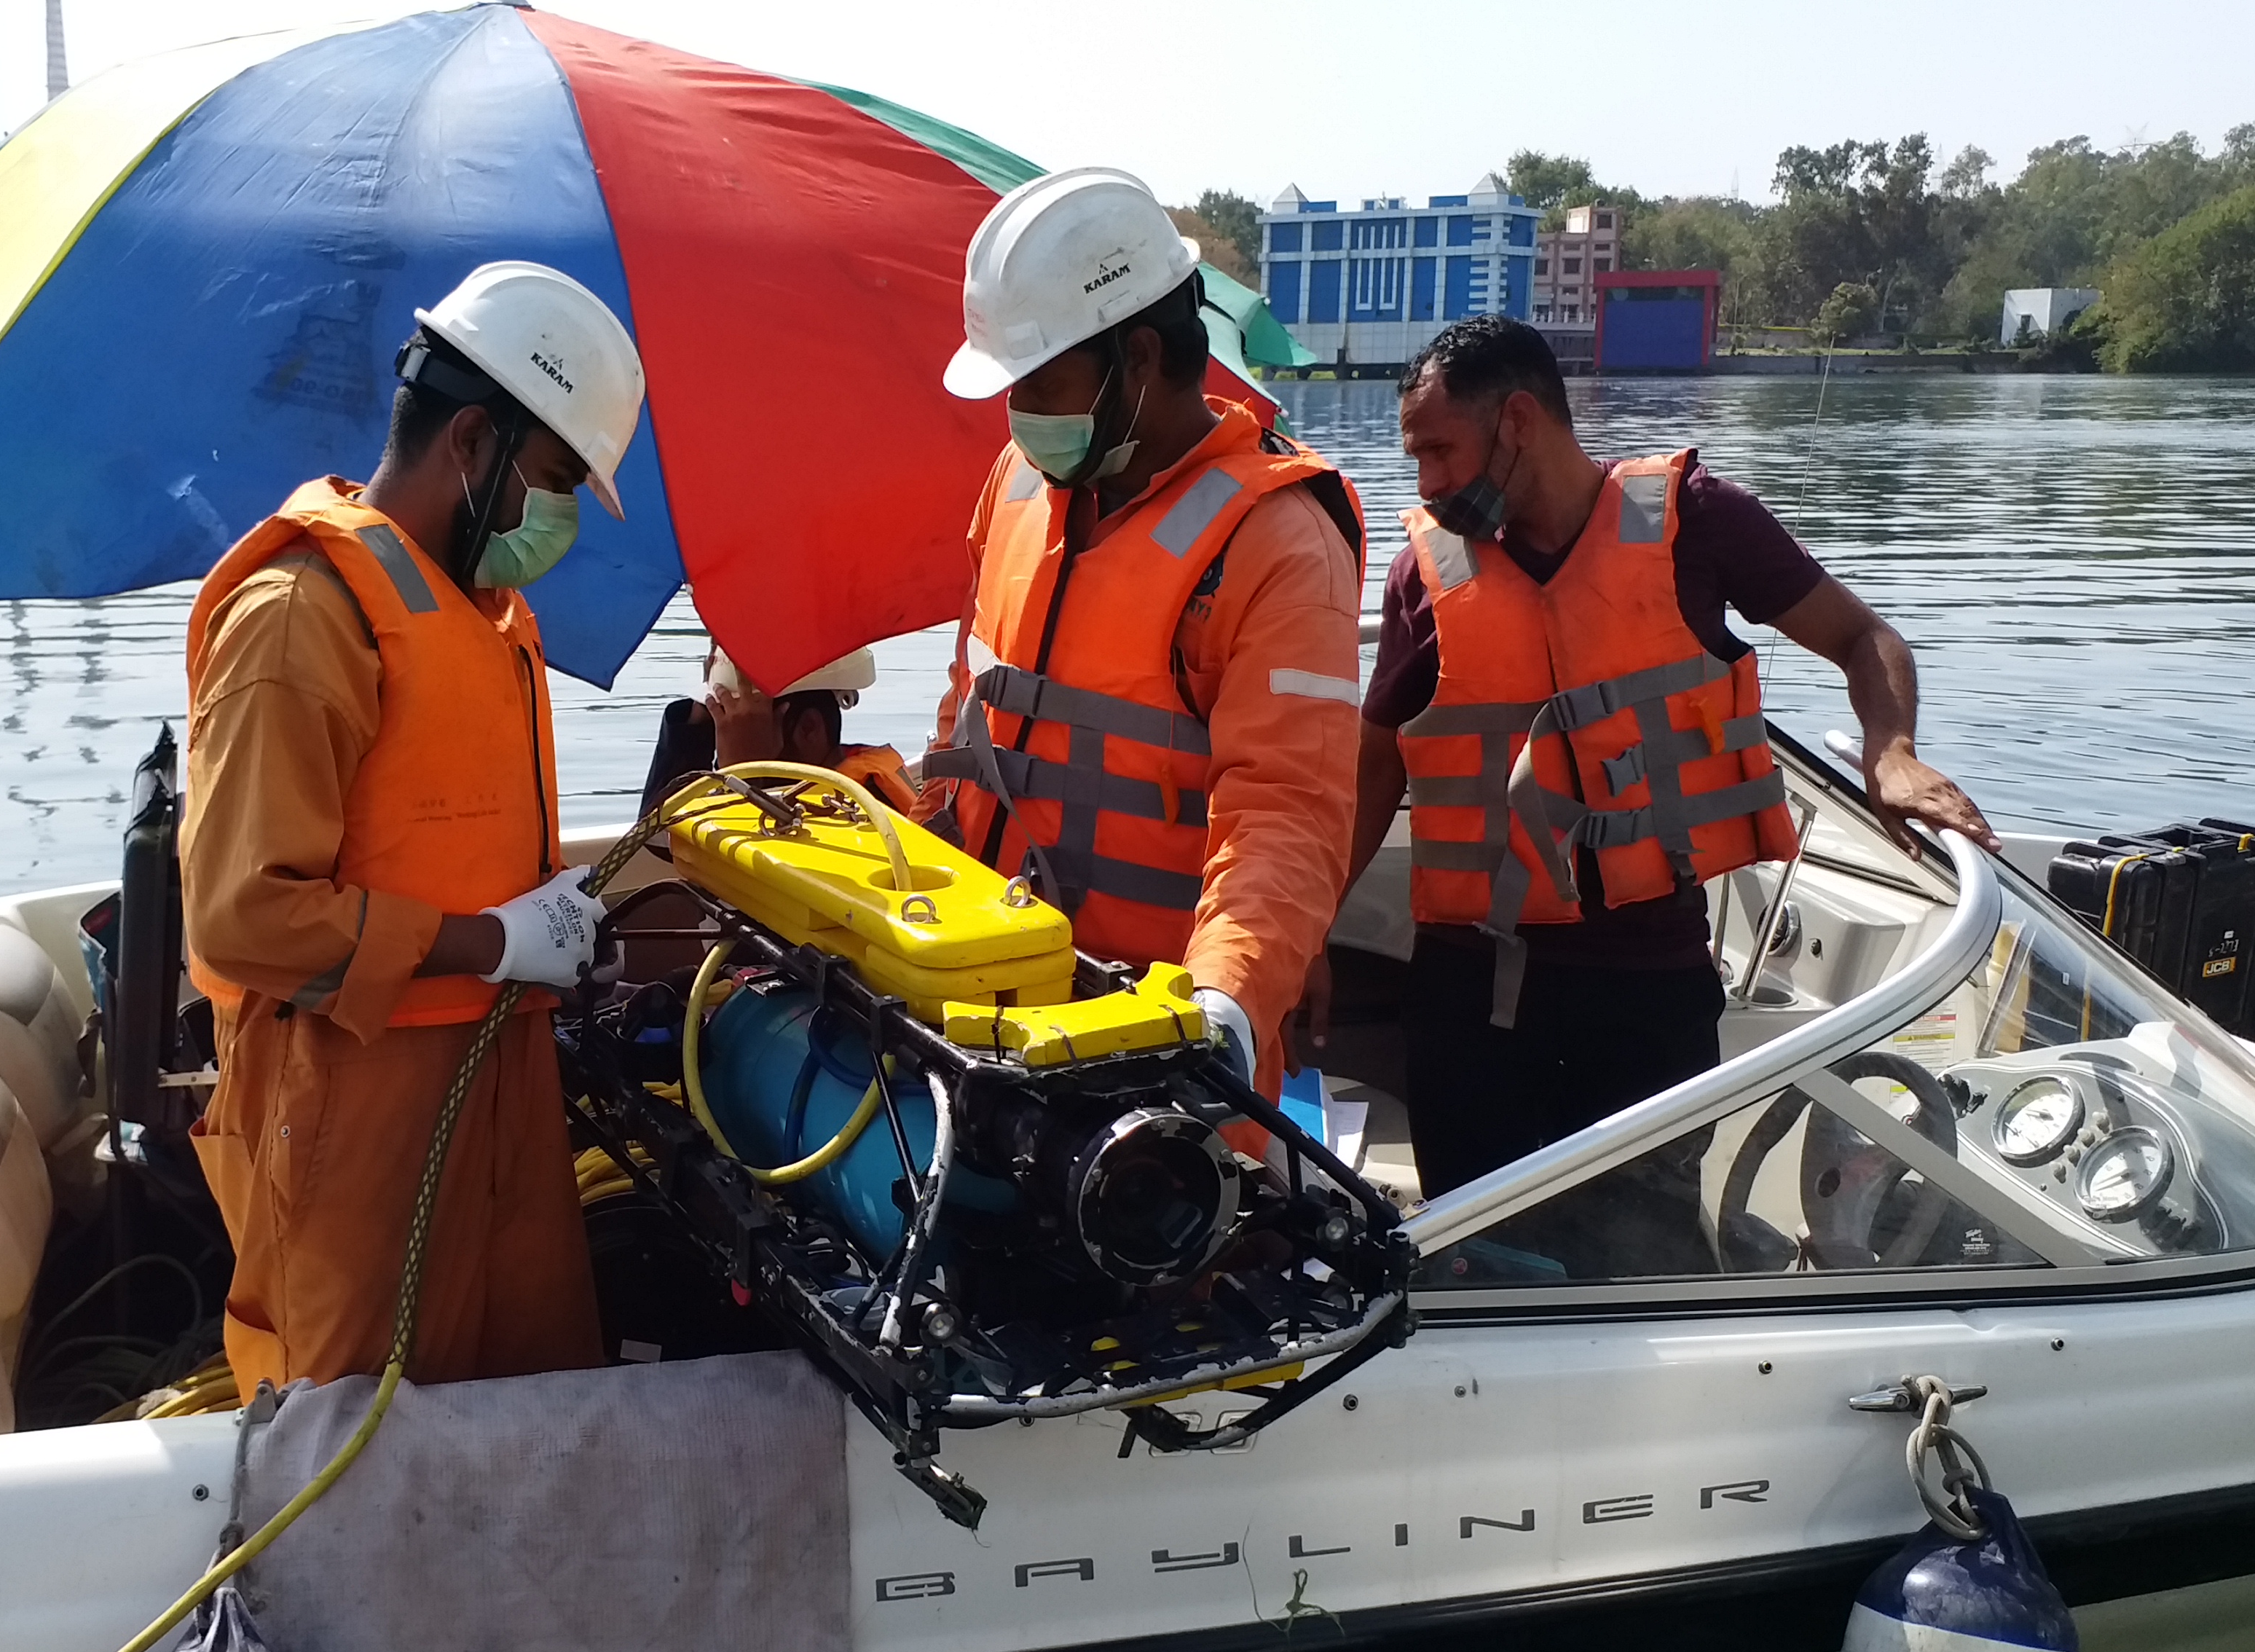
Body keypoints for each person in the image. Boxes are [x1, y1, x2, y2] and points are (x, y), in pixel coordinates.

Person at [1337, 313, 1996, 1209]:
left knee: (1634, 1246)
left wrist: (1892, 752)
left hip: (1647, 987)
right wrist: (1301, 932)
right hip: (1474, 994)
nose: (1428, 481)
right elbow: (1376, 769)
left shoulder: (1697, 522)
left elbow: (1862, 635)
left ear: (1519, 421)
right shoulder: (1428, 569)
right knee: (1474, 1255)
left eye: (1442, 450)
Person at [177, 261, 646, 1393]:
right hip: (353, 1122)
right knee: (367, 1439)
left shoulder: (486, 614)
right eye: (553, 477)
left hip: (497, 1090)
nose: (562, 517)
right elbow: (246, 916)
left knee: (529, 1401)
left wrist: (555, 923)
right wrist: (495, 944)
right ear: (472, 443)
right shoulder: (303, 618)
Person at [919, 168, 1366, 1095]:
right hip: (973, 1019)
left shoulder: (1277, 542)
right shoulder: (1013, 481)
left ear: (1145, 359)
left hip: (1149, 1057)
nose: (1020, 413)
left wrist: (1224, 1009)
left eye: (1042, 381)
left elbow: (1287, 814)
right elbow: (969, 714)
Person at [641, 646, 916, 819]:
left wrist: (745, 773)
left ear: (808, 729)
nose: (725, 744)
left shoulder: (859, 809)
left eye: (742, 729)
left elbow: (753, 874)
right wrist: (697, 723)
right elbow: (653, 837)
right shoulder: (829, 769)